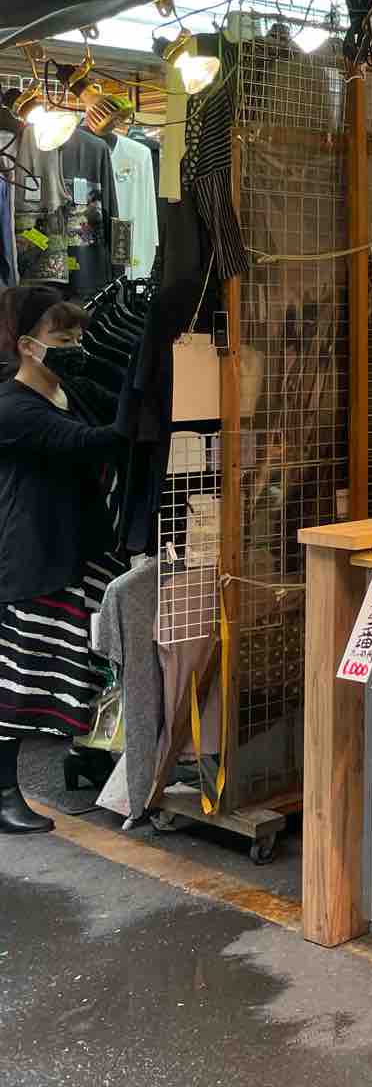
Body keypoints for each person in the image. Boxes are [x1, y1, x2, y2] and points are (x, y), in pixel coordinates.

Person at [0, 285, 125, 835]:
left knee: (85, 666)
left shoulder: (67, 390)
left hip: (80, 551)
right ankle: (4, 794)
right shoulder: (12, 407)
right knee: (21, 680)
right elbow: (94, 441)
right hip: (33, 558)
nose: (74, 345)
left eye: (78, 335)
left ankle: (89, 756)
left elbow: (116, 403)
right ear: (28, 345)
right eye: (62, 337)